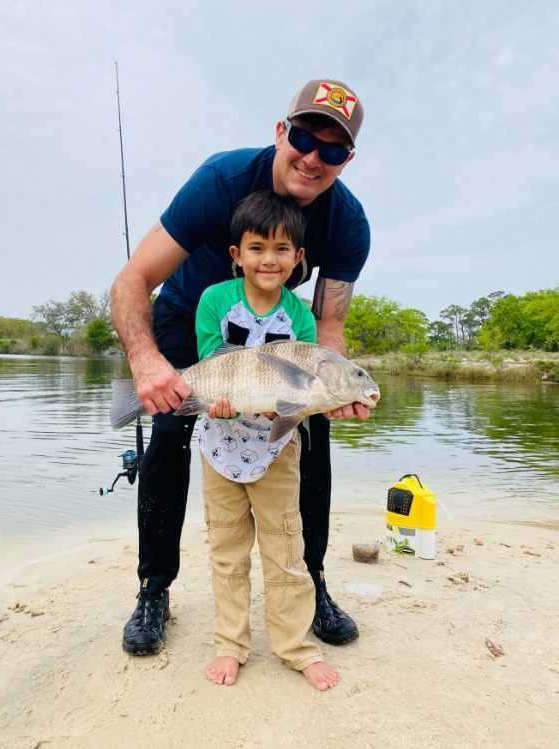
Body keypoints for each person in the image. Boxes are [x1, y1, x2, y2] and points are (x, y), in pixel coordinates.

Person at [112, 79, 372, 656]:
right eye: (304, 137)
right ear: (282, 132)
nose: (313, 157)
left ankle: (315, 580)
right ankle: (153, 589)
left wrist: (338, 385)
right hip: (191, 312)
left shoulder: (348, 224)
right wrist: (147, 361)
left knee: (314, 430)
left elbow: (327, 328)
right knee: (171, 430)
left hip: (280, 332)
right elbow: (132, 280)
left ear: (345, 160)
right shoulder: (220, 181)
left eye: (332, 150)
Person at [198, 191, 338, 690]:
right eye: (256, 247)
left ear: (298, 259)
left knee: (285, 548)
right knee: (227, 549)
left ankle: (295, 648)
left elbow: (299, 392)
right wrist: (212, 398)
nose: (269, 259)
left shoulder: (300, 317)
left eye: (282, 249)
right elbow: (216, 369)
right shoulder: (215, 299)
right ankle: (230, 645)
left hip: (279, 450)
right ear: (237, 254)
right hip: (219, 443)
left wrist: (326, 399)